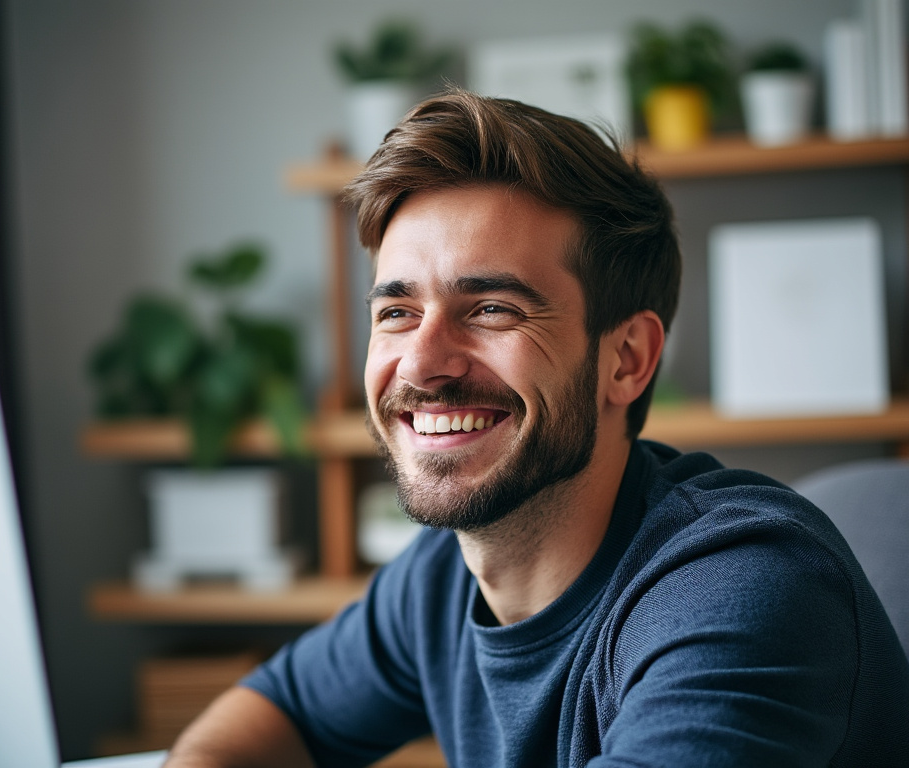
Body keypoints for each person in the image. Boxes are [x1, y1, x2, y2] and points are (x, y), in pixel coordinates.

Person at [163, 89, 909, 767]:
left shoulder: (743, 589)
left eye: (492, 309)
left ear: (627, 359)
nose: (422, 364)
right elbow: (273, 715)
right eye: (396, 312)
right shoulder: (440, 577)